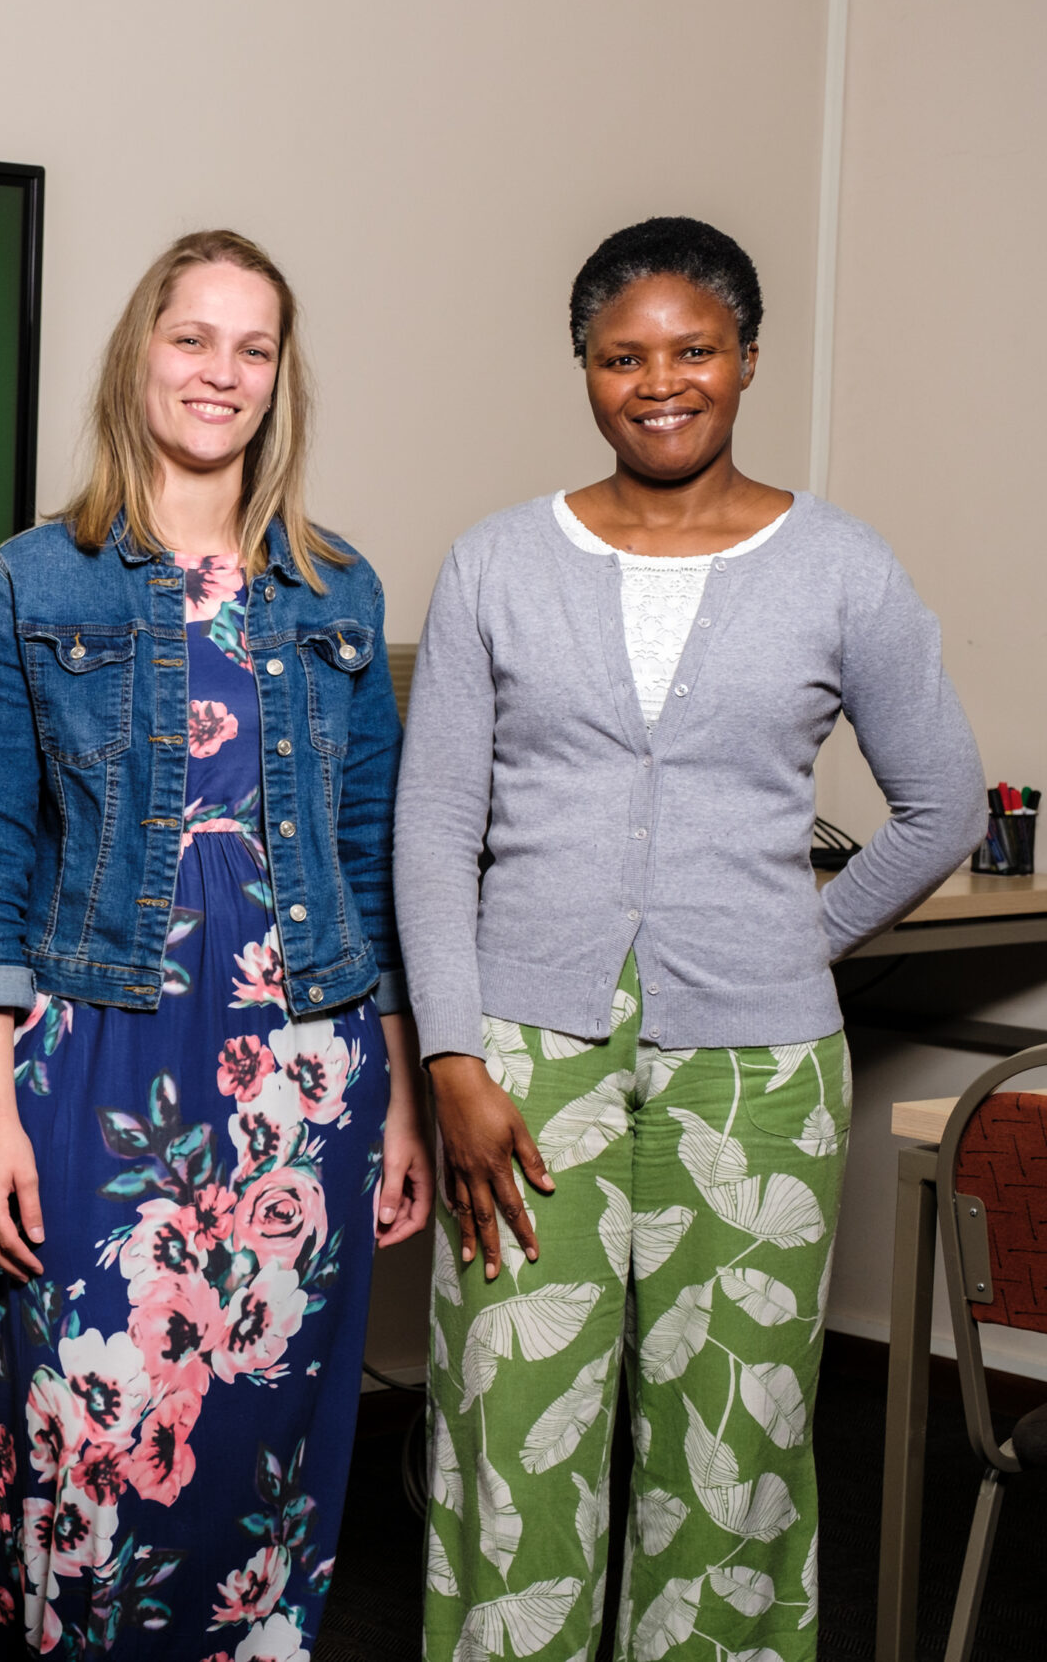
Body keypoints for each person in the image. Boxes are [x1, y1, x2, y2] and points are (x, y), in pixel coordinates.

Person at [400, 217, 984, 1662]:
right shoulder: (493, 564)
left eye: (693, 350)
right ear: (586, 368)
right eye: (622, 356)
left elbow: (943, 804)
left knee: (733, 1448)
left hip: (761, 1074)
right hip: (523, 1062)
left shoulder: (841, 565)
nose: (659, 383)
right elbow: (430, 825)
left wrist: (801, 938)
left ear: (746, 360)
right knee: (509, 1426)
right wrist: (456, 1053)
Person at [0, 230, 433, 1660]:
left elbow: (364, 861)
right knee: (87, 1438)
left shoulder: (336, 592)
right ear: (139, 354)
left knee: (270, 1452)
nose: (220, 371)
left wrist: (393, 1090)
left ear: (280, 381)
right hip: (98, 1067)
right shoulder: (38, 584)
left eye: (253, 347)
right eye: (192, 337)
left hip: (308, 1081)